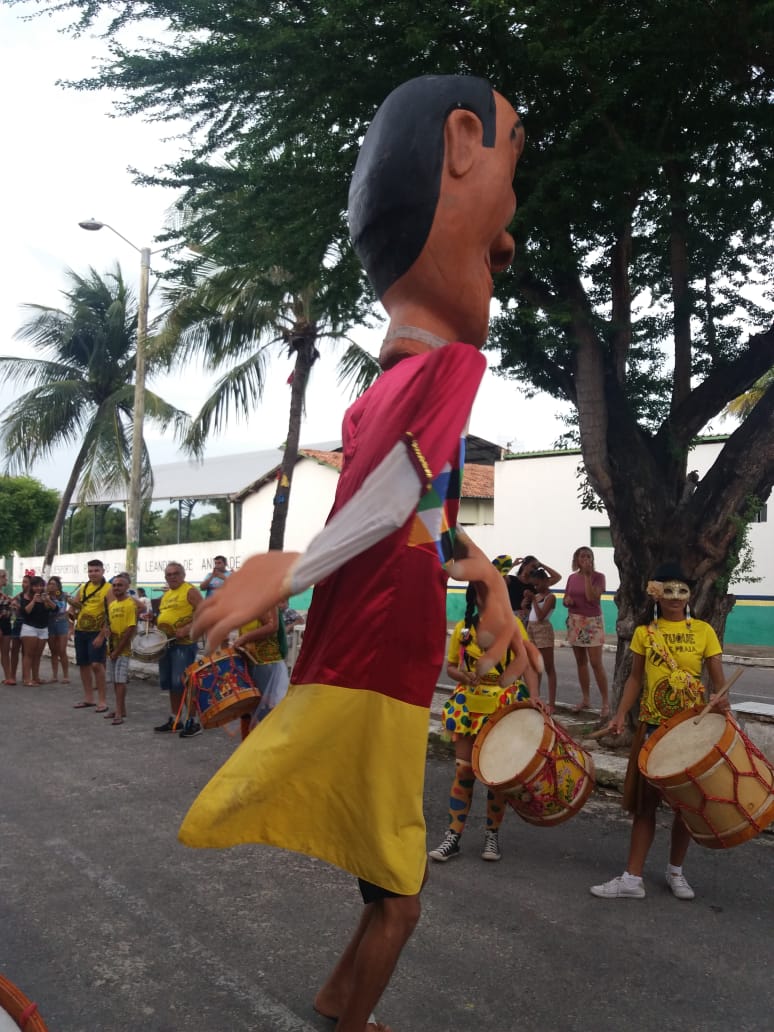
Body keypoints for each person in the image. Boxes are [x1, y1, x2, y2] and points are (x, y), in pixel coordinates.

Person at [181, 75, 534, 1032]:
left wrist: (487, 578)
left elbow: (414, 511)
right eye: (508, 175)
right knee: (400, 899)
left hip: (374, 662)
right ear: (458, 144)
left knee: (386, 885)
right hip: (377, 670)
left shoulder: (380, 391)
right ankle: (348, 1017)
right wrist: (291, 569)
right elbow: (382, 502)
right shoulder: (448, 368)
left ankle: (342, 1000)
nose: (507, 241)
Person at [590, 562, 728, 901]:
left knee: (687, 807)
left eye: (682, 590)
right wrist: (620, 715)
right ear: (656, 594)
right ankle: (632, 878)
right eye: (668, 590)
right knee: (645, 805)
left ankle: (675, 872)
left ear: (689, 595)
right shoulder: (644, 633)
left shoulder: (704, 631)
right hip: (653, 728)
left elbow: (718, 680)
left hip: (691, 731)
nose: (676, 597)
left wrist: (721, 700)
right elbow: (635, 678)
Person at [429, 583, 540, 864]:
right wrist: (463, 676)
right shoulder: (463, 629)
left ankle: (492, 835)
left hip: (502, 705)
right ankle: (453, 837)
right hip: (469, 706)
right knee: (463, 772)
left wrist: (534, 698)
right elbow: (451, 667)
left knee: (495, 776)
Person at [153, 562, 203, 738]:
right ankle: (176, 719)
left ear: (183, 575)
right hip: (167, 643)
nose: (172, 577)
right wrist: (153, 618)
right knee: (172, 684)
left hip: (184, 644)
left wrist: (188, 628)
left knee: (184, 683)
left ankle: (193, 721)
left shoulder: (189, 590)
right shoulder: (167, 594)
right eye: (169, 574)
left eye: (175, 573)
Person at [562, 546, 610, 718]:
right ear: (577, 559)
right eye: (582, 556)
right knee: (581, 662)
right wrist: (567, 601)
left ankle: (605, 702)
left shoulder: (599, 577)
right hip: (575, 620)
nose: (586, 559)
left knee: (596, 663)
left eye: (589, 556)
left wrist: (588, 577)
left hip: (592, 622)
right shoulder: (572, 578)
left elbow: (592, 598)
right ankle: (585, 699)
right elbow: (565, 599)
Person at [233, 606, 290, 738]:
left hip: (264, 662)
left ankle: (269, 744)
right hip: (250, 660)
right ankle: (251, 745)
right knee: (249, 708)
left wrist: (244, 638)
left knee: (266, 711)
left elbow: (272, 626)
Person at [70, 559, 113, 711]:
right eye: (90, 571)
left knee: (97, 665)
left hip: (97, 632)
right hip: (81, 630)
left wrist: (102, 635)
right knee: (83, 665)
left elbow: (111, 613)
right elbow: (74, 607)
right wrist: (70, 621)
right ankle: (88, 698)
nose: (93, 573)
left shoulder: (109, 589)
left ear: (103, 571)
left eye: (96, 570)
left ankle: (102, 701)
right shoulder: (83, 588)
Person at [95, 572, 137, 725]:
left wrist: (118, 650)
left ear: (127, 587)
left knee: (120, 681)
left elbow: (130, 629)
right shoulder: (112, 605)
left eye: (120, 585)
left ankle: (119, 712)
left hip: (122, 649)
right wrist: (106, 633)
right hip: (111, 647)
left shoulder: (130, 604)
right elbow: (110, 625)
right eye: (114, 585)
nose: (116, 588)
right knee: (114, 680)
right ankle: (120, 709)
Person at [527, 567, 557, 713]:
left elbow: (540, 616)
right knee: (535, 666)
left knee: (548, 667)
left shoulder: (550, 597)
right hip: (531, 629)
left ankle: (552, 703)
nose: (536, 587)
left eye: (538, 584)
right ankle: (535, 698)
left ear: (545, 581)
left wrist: (533, 599)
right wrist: (528, 600)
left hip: (543, 629)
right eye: (534, 585)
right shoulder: (538, 595)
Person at [19, 575, 56, 686]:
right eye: (36, 586)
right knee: (28, 654)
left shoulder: (46, 597)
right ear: (31, 587)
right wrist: (34, 600)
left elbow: (55, 609)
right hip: (30, 628)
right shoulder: (26, 597)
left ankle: (36, 677)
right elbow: (25, 612)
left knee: (37, 655)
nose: (38, 588)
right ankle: (27, 679)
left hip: (43, 628)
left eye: (41, 586)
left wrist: (48, 600)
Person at [46, 576, 71, 684]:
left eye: (54, 584)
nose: (51, 586)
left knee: (62, 650)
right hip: (50, 623)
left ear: (58, 586)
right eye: (50, 584)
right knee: (53, 651)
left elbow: (61, 608)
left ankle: (66, 675)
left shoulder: (62, 595)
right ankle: (54, 675)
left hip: (62, 623)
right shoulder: (46, 596)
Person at [0, 569, 17, 685]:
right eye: (3, 576)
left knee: (6, 652)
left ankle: (8, 677)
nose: (6, 579)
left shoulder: (4, 595)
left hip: (6, 623)